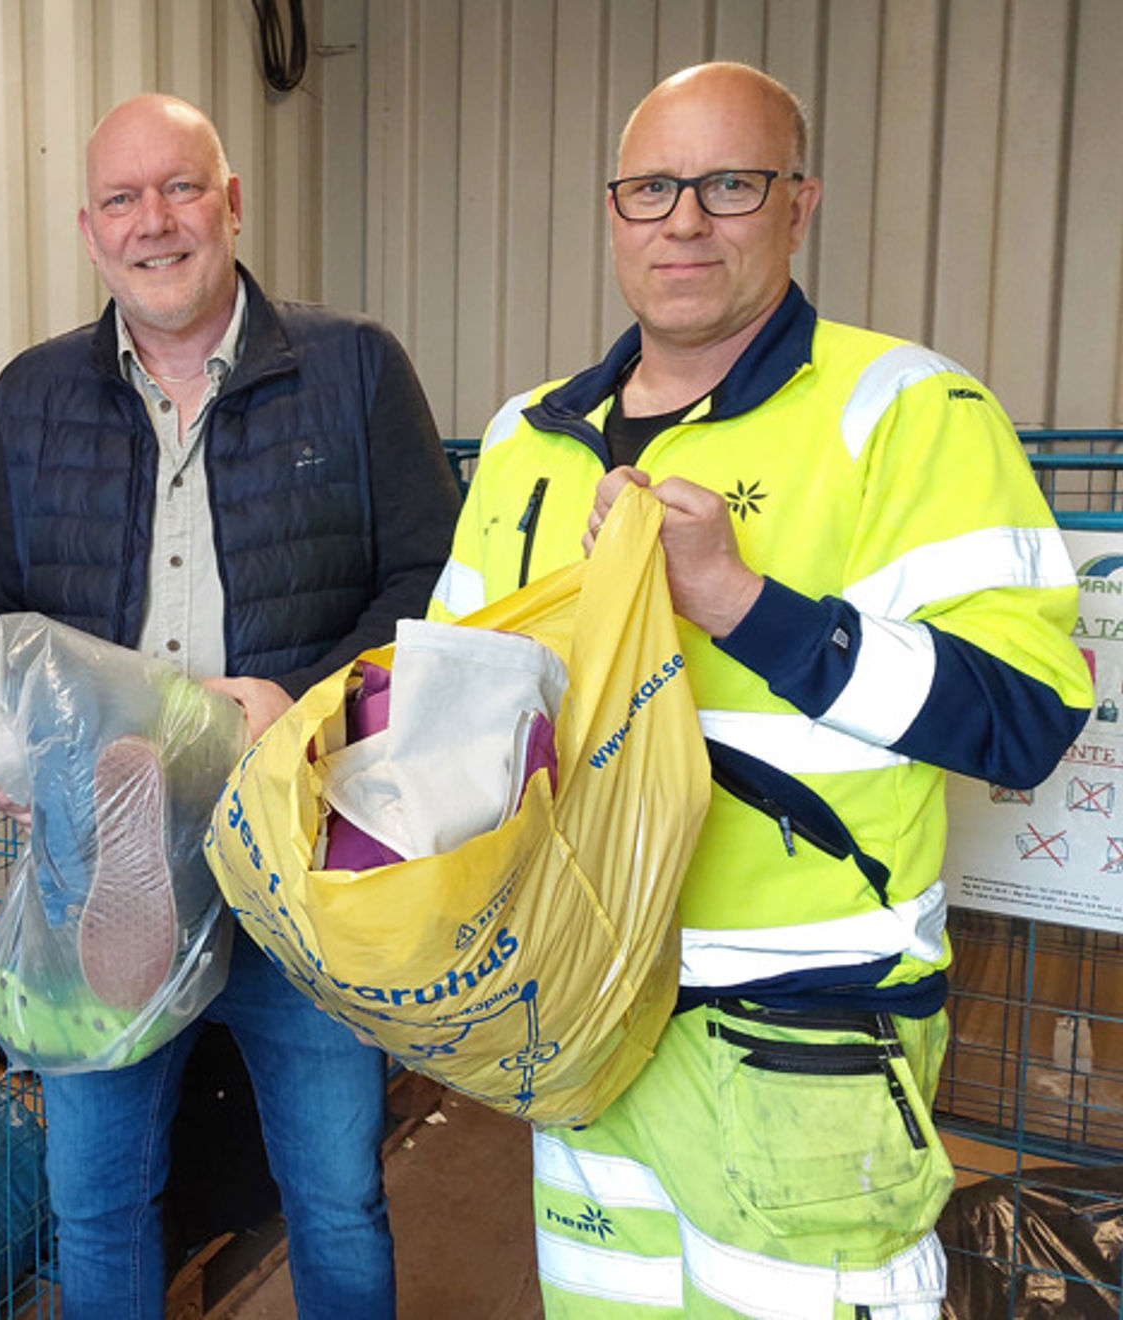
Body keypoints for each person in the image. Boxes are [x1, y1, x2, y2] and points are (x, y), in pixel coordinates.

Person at [431, 62, 1091, 1316]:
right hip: (577, 1024)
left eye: (730, 183)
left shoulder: (906, 414)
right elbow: (462, 719)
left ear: (801, 204)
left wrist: (741, 601)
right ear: (613, 212)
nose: (684, 219)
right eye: (650, 188)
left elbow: (1024, 718)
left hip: (804, 1043)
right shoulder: (529, 435)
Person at [0, 93, 461, 1318]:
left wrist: (308, 702)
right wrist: (10, 749)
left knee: (335, 1190)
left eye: (181, 189)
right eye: (123, 198)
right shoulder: (32, 398)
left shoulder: (356, 369)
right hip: (104, 860)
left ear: (232, 203)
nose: (154, 221)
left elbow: (433, 581)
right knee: (98, 1198)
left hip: (298, 847)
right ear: (87, 228)